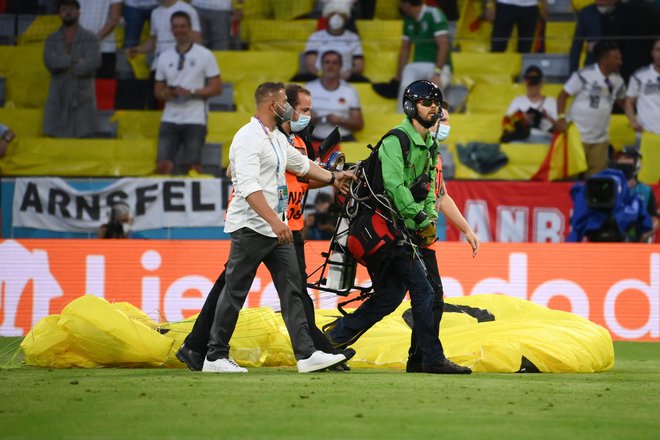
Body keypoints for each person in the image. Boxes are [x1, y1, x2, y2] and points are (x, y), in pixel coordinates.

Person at [176, 83, 356, 372]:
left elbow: (301, 164)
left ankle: (307, 354)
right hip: (252, 227)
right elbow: (247, 187)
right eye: (285, 100)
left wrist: (335, 177)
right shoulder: (247, 138)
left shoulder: (275, 138)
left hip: (275, 228)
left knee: (292, 291)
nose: (288, 106)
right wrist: (275, 221)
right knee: (234, 291)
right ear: (273, 105)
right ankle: (215, 356)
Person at [325, 80, 479, 374]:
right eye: (427, 103)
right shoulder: (396, 141)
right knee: (425, 292)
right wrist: (420, 220)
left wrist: (428, 219)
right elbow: (396, 188)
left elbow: (432, 192)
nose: (434, 108)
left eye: (436, 103)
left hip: (400, 231)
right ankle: (429, 358)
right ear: (411, 107)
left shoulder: (430, 145)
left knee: (389, 296)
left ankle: (332, 341)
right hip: (384, 230)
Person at [153, 11, 222, 174]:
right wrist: (168, 93)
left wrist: (190, 92)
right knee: (163, 165)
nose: (179, 30)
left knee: (194, 166)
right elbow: (157, 91)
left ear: (190, 28)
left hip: (195, 117)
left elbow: (217, 87)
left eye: (182, 26)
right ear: (171, 29)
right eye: (175, 26)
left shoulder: (205, 55)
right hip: (169, 116)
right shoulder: (164, 57)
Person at [556, 41, 626, 178]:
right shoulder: (584, 75)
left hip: (600, 139)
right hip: (577, 137)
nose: (620, 62)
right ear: (605, 59)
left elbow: (623, 102)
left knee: (597, 180)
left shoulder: (618, 81)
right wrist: (561, 117)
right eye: (616, 59)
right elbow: (562, 96)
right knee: (571, 178)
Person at [43, 0, 101, 138]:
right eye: (64, 8)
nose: (68, 11)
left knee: (84, 142)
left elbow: (93, 63)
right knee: (55, 141)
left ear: (79, 13)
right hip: (58, 95)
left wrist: (62, 63)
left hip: (82, 96)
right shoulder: (51, 38)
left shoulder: (91, 38)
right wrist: (74, 60)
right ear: (59, 14)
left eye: (71, 8)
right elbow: (50, 62)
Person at [127, 0, 201, 108]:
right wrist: (139, 49)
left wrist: (181, 32)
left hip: (180, 64)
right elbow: (153, 41)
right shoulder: (155, 12)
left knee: (180, 100)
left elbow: (197, 39)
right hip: (159, 63)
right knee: (152, 99)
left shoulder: (188, 10)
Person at [396, 0, 453, 109]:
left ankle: (441, 120)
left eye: (401, 3)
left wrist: (437, 73)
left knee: (434, 87)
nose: (399, 6)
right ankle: (404, 119)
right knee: (405, 83)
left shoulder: (434, 14)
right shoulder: (408, 19)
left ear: (407, 4)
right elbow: (404, 49)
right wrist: (398, 75)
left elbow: (444, 45)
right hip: (418, 64)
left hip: (438, 65)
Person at [306, 50, 364, 147]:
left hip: (343, 139)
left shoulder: (350, 90)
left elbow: (359, 125)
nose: (330, 66)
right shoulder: (309, 88)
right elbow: (294, 118)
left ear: (340, 67)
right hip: (314, 138)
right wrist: (307, 117)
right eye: (327, 62)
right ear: (321, 65)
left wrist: (340, 120)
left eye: (334, 63)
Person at [302, 0, 366, 82]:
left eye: (341, 15)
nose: (336, 17)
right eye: (333, 14)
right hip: (320, 78)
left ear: (346, 18)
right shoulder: (316, 36)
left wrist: (349, 73)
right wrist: (323, 76)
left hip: (346, 79)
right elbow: (310, 65)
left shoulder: (353, 37)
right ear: (328, 16)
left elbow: (359, 65)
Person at [613, 148, 659, 242]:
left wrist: (646, 234)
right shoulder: (608, 185)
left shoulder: (645, 190)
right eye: (621, 158)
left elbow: (654, 219)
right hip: (611, 238)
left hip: (635, 239)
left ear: (637, 166)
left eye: (628, 158)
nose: (624, 161)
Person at [503, 65, 557, 143]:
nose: (533, 86)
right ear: (525, 82)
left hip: (544, 137)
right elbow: (507, 124)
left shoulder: (551, 101)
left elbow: (559, 128)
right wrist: (522, 119)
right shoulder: (517, 100)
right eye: (530, 83)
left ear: (541, 83)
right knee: (513, 143)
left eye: (535, 83)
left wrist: (547, 117)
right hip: (522, 137)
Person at [568, 0, 617, 74]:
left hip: (616, 66)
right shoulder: (586, 13)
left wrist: (597, 46)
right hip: (592, 64)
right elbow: (576, 46)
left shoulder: (622, 12)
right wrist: (573, 74)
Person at [625, 39, 660, 137]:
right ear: (652, 53)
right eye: (658, 50)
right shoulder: (639, 76)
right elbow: (629, 102)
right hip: (646, 133)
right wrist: (633, 122)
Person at [482, 0, 547, 53]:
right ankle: (495, 67)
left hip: (530, 6)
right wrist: (489, 4)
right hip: (504, 5)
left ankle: (522, 68)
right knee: (498, 45)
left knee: (526, 47)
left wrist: (544, 5)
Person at [78, 0, 122, 78]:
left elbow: (114, 20)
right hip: (80, 47)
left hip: (105, 49)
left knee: (104, 87)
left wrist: (93, 40)